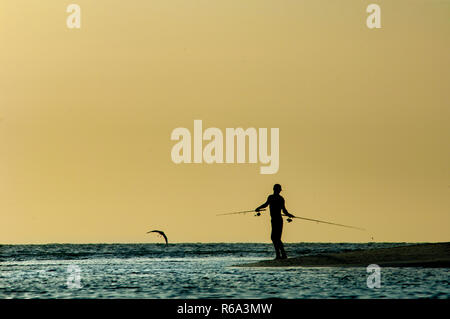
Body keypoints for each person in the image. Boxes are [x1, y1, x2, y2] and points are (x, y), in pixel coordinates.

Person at [255, 184, 295, 259]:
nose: (278, 191)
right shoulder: (280, 198)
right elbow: (284, 210)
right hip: (276, 220)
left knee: (275, 238)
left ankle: (280, 255)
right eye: (278, 189)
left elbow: (266, 205)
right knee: (276, 238)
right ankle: (281, 255)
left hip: (277, 220)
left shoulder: (273, 197)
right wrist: (289, 214)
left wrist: (258, 208)